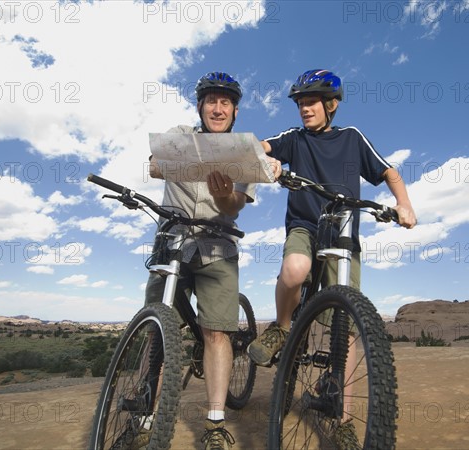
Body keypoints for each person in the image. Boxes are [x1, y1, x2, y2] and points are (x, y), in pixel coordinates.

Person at [248, 68, 417, 365]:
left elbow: (388, 172)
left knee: (346, 321)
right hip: (305, 226)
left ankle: (342, 406)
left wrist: (404, 204)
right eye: (300, 103)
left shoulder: (351, 138)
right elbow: (260, 147)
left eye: (310, 102)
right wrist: (268, 161)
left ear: (331, 104)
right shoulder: (296, 139)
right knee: (295, 270)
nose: (303, 109)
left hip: (343, 233)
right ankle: (282, 328)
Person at [147, 71, 253, 450]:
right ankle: (145, 413)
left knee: (217, 331)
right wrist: (186, 160)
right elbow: (154, 165)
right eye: (212, 100)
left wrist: (223, 195)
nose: (218, 107)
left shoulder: (244, 153)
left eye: (226, 102)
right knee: (158, 329)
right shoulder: (181, 133)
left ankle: (214, 423)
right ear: (201, 106)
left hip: (216, 244)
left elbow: (235, 207)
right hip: (172, 240)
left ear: (235, 111)